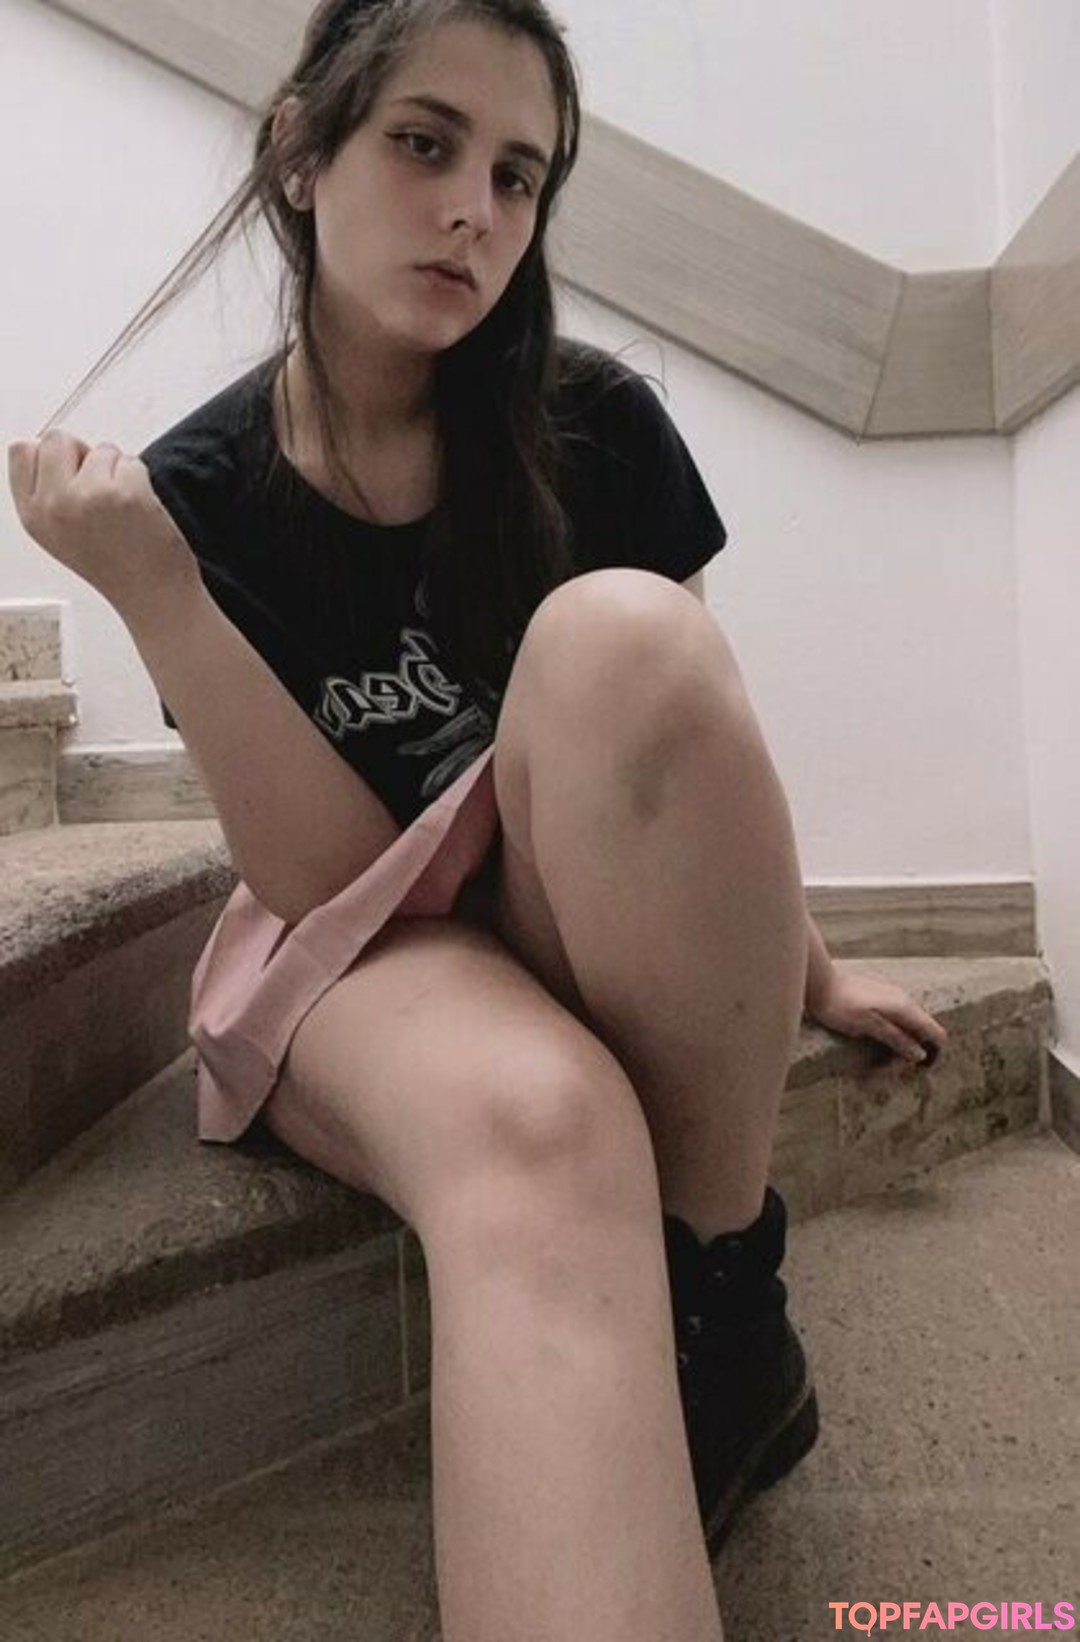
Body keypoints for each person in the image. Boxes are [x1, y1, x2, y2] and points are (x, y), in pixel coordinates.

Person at [8, 1, 948, 1636]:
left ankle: (724, 1304)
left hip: (545, 885)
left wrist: (800, 968)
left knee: (626, 637)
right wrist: (156, 589)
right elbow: (320, 878)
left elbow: (677, 768)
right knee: (539, 1117)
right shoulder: (202, 492)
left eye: (519, 176)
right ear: (302, 154)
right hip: (357, 935)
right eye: (424, 145)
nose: (474, 214)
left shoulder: (595, 424)